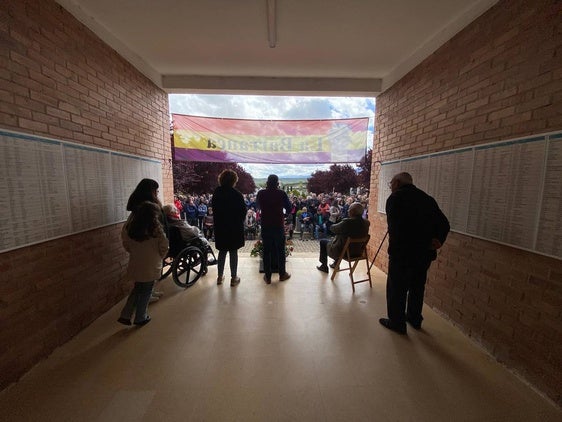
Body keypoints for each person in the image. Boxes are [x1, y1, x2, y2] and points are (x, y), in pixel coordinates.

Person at [379, 172, 450, 334]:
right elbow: (444, 223)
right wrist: (438, 240)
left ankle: (397, 322)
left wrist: (396, 250)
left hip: (402, 254)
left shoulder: (395, 198)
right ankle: (414, 318)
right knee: (417, 287)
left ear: (397, 182)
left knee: (397, 288)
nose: (390, 187)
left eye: (391, 184)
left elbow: (396, 230)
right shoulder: (427, 199)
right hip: (424, 254)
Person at [118, 201, 169, 326]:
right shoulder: (156, 230)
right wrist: (160, 256)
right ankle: (141, 316)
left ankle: (125, 314)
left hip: (136, 263)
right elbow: (164, 245)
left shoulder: (131, 229)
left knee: (137, 289)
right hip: (151, 264)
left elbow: (127, 245)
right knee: (146, 291)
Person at [126, 178, 167, 301]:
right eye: (156, 191)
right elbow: (157, 233)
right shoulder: (147, 209)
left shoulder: (137, 208)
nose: (157, 193)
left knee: (144, 275)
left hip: (142, 247)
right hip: (149, 246)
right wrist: (163, 250)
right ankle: (143, 309)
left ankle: (149, 292)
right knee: (146, 275)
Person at [211, 170, 247, 287]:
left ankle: (220, 277)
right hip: (234, 228)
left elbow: (214, 210)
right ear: (234, 181)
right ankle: (233, 278)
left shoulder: (217, 192)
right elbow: (243, 212)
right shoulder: (237, 194)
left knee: (222, 252)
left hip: (221, 227)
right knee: (233, 252)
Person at [256, 174, 292, 284]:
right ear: (277, 183)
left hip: (266, 225)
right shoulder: (281, 193)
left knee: (267, 251)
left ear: (267, 182)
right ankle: (282, 274)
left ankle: (268, 277)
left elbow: (257, 207)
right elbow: (289, 209)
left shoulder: (261, 193)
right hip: (278, 226)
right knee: (280, 251)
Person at [316, 202, 370, 273]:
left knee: (323, 242)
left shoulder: (347, 222)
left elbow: (333, 228)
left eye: (349, 209)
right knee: (342, 241)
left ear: (353, 211)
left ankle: (324, 266)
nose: (348, 210)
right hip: (358, 252)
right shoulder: (367, 223)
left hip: (344, 252)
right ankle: (336, 264)